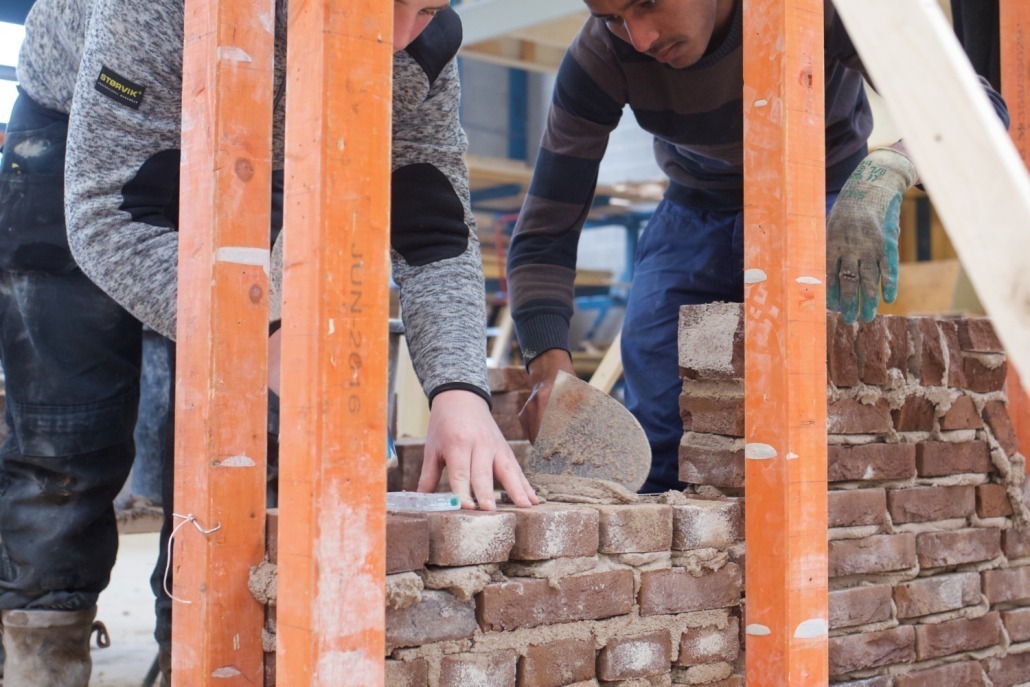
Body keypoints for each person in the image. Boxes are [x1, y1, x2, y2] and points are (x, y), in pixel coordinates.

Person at [0, 1, 537, 685]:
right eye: (389, 6)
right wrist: (267, 335)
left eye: (427, 7)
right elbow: (107, 216)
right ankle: (43, 659)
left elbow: (433, 227)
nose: (399, 37)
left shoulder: (421, 49)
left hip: (263, 143)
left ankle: (198, 656)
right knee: (66, 446)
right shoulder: (158, 8)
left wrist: (459, 390)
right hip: (86, 131)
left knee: (233, 451)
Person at [507, 0, 1009, 494]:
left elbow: (980, 110)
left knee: (814, 418)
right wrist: (550, 375)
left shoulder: (824, 8)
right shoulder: (600, 55)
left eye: (649, 2)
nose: (641, 38)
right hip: (694, 211)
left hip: (817, 192)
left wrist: (891, 166)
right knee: (663, 429)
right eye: (613, 18)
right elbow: (544, 234)